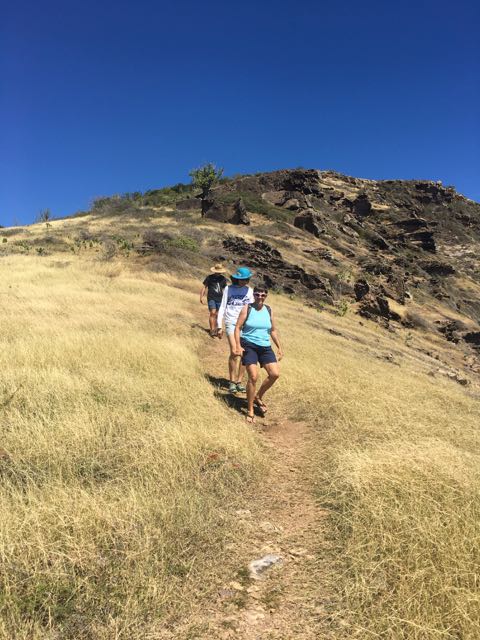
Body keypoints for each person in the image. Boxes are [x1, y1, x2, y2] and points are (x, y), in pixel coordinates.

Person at [234, 286, 283, 424]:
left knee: (274, 374)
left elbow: (272, 330)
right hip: (249, 344)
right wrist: (238, 345)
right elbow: (237, 327)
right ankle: (250, 410)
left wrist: (279, 347)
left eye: (263, 295)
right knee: (253, 377)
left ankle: (258, 396)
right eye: (257, 294)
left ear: (266, 295)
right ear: (253, 295)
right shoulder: (247, 308)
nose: (260, 297)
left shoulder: (269, 309)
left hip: (265, 346)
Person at [217, 267, 254, 393]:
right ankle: (232, 382)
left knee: (243, 353)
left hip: (245, 325)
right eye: (241, 279)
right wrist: (219, 326)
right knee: (235, 351)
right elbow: (222, 307)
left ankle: (239, 381)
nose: (244, 281)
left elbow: (251, 309)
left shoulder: (250, 291)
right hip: (231, 322)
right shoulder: (228, 289)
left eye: (246, 279)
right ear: (236, 278)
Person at [200, 264, 228, 337]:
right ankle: (212, 330)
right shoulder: (209, 277)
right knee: (212, 312)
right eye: (217, 271)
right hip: (211, 298)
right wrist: (201, 297)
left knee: (218, 315)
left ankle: (216, 329)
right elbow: (204, 287)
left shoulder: (223, 279)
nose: (218, 273)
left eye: (220, 272)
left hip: (220, 299)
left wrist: (227, 299)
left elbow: (225, 289)